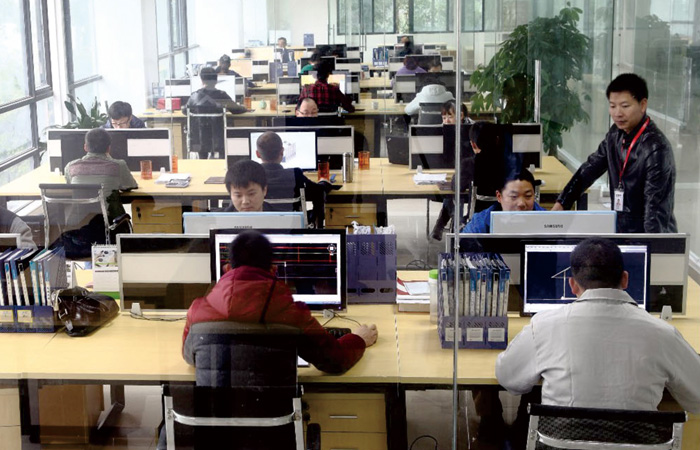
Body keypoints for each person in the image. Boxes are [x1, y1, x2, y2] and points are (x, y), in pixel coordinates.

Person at [496, 237, 700, 414]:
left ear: (572, 285)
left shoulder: (542, 327)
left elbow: (509, 379)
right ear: (625, 279)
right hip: (634, 441)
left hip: (562, 442)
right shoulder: (663, 334)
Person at [183, 230, 378, 374]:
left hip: (217, 418)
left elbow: (191, 357)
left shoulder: (198, 310)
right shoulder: (291, 314)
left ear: (227, 269)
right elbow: (335, 362)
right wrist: (358, 338)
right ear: (273, 270)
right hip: (275, 416)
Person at [552, 73, 677, 233]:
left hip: (649, 236)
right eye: (612, 106)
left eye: (625, 106)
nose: (617, 113)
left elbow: (654, 213)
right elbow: (590, 169)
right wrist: (562, 203)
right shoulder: (615, 134)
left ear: (643, 105)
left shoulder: (655, 148)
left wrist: (648, 245)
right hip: (622, 230)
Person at [255, 131, 335, 227]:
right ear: (282, 152)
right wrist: (324, 182)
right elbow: (318, 191)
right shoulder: (295, 174)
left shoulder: (253, 177)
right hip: (293, 228)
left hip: (262, 228)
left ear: (257, 154)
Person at [184, 67, 247, 159]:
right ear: (216, 80)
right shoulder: (221, 95)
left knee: (203, 139)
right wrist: (244, 108)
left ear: (202, 80)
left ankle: (202, 159)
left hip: (199, 140)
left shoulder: (194, 96)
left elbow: (185, 111)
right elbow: (236, 110)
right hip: (218, 138)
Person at [462, 170, 544, 233]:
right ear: (499, 196)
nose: (521, 203)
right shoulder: (479, 224)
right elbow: (463, 246)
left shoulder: (546, 220)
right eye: (514, 196)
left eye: (528, 196)